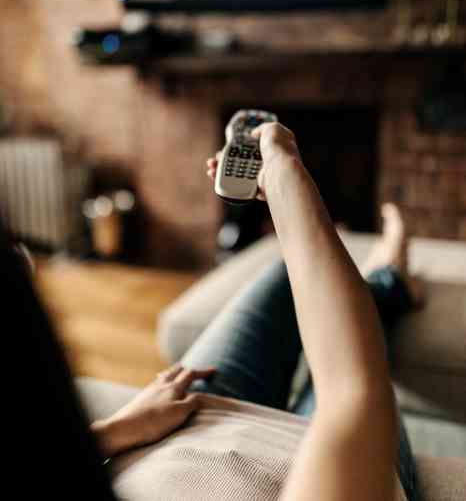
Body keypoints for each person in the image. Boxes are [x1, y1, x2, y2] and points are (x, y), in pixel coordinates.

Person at [2, 122, 422, 500]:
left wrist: (119, 429)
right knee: (328, 318)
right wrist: (283, 172)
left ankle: (385, 282)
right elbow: (350, 393)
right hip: (304, 449)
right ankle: (388, 278)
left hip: (179, 428)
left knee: (285, 278)